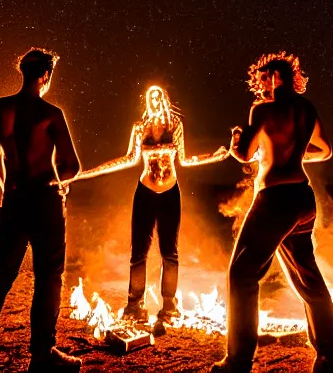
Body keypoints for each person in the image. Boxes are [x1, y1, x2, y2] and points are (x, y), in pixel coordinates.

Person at [59, 85, 229, 331]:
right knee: (139, 252)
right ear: (147, 102)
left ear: (166, 100)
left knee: (170, 252)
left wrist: (215, 156)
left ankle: (169, 306)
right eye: (151, 98)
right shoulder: (140, 128)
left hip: (170, 192)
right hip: (145, 193)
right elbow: (129, 159)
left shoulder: (175, 126)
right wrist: (85, 174)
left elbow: (184, 159)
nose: (155, 101)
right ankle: (134, 305)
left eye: (159, 96)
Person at [212, 52, 333, 373]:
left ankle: (238, 361)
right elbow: (325, 150)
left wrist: (235, 140)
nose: (263, 85)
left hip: (274, 200)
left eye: (265, 78)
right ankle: (328, 356)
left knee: (242, 275)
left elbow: (243, 155)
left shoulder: (263, 110)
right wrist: (293, 155)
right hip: (302, 197)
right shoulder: (307, 108)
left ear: (273, 78)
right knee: (308, 278)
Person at [0, 48, 82, 372]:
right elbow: (72, 165)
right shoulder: (51, 113)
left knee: (1, 273)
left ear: (23, 72)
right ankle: (43, 353)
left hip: (14, 201)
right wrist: (61, 182)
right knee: (49, 275)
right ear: (45, 76)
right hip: (45, 202)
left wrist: (7, 186)